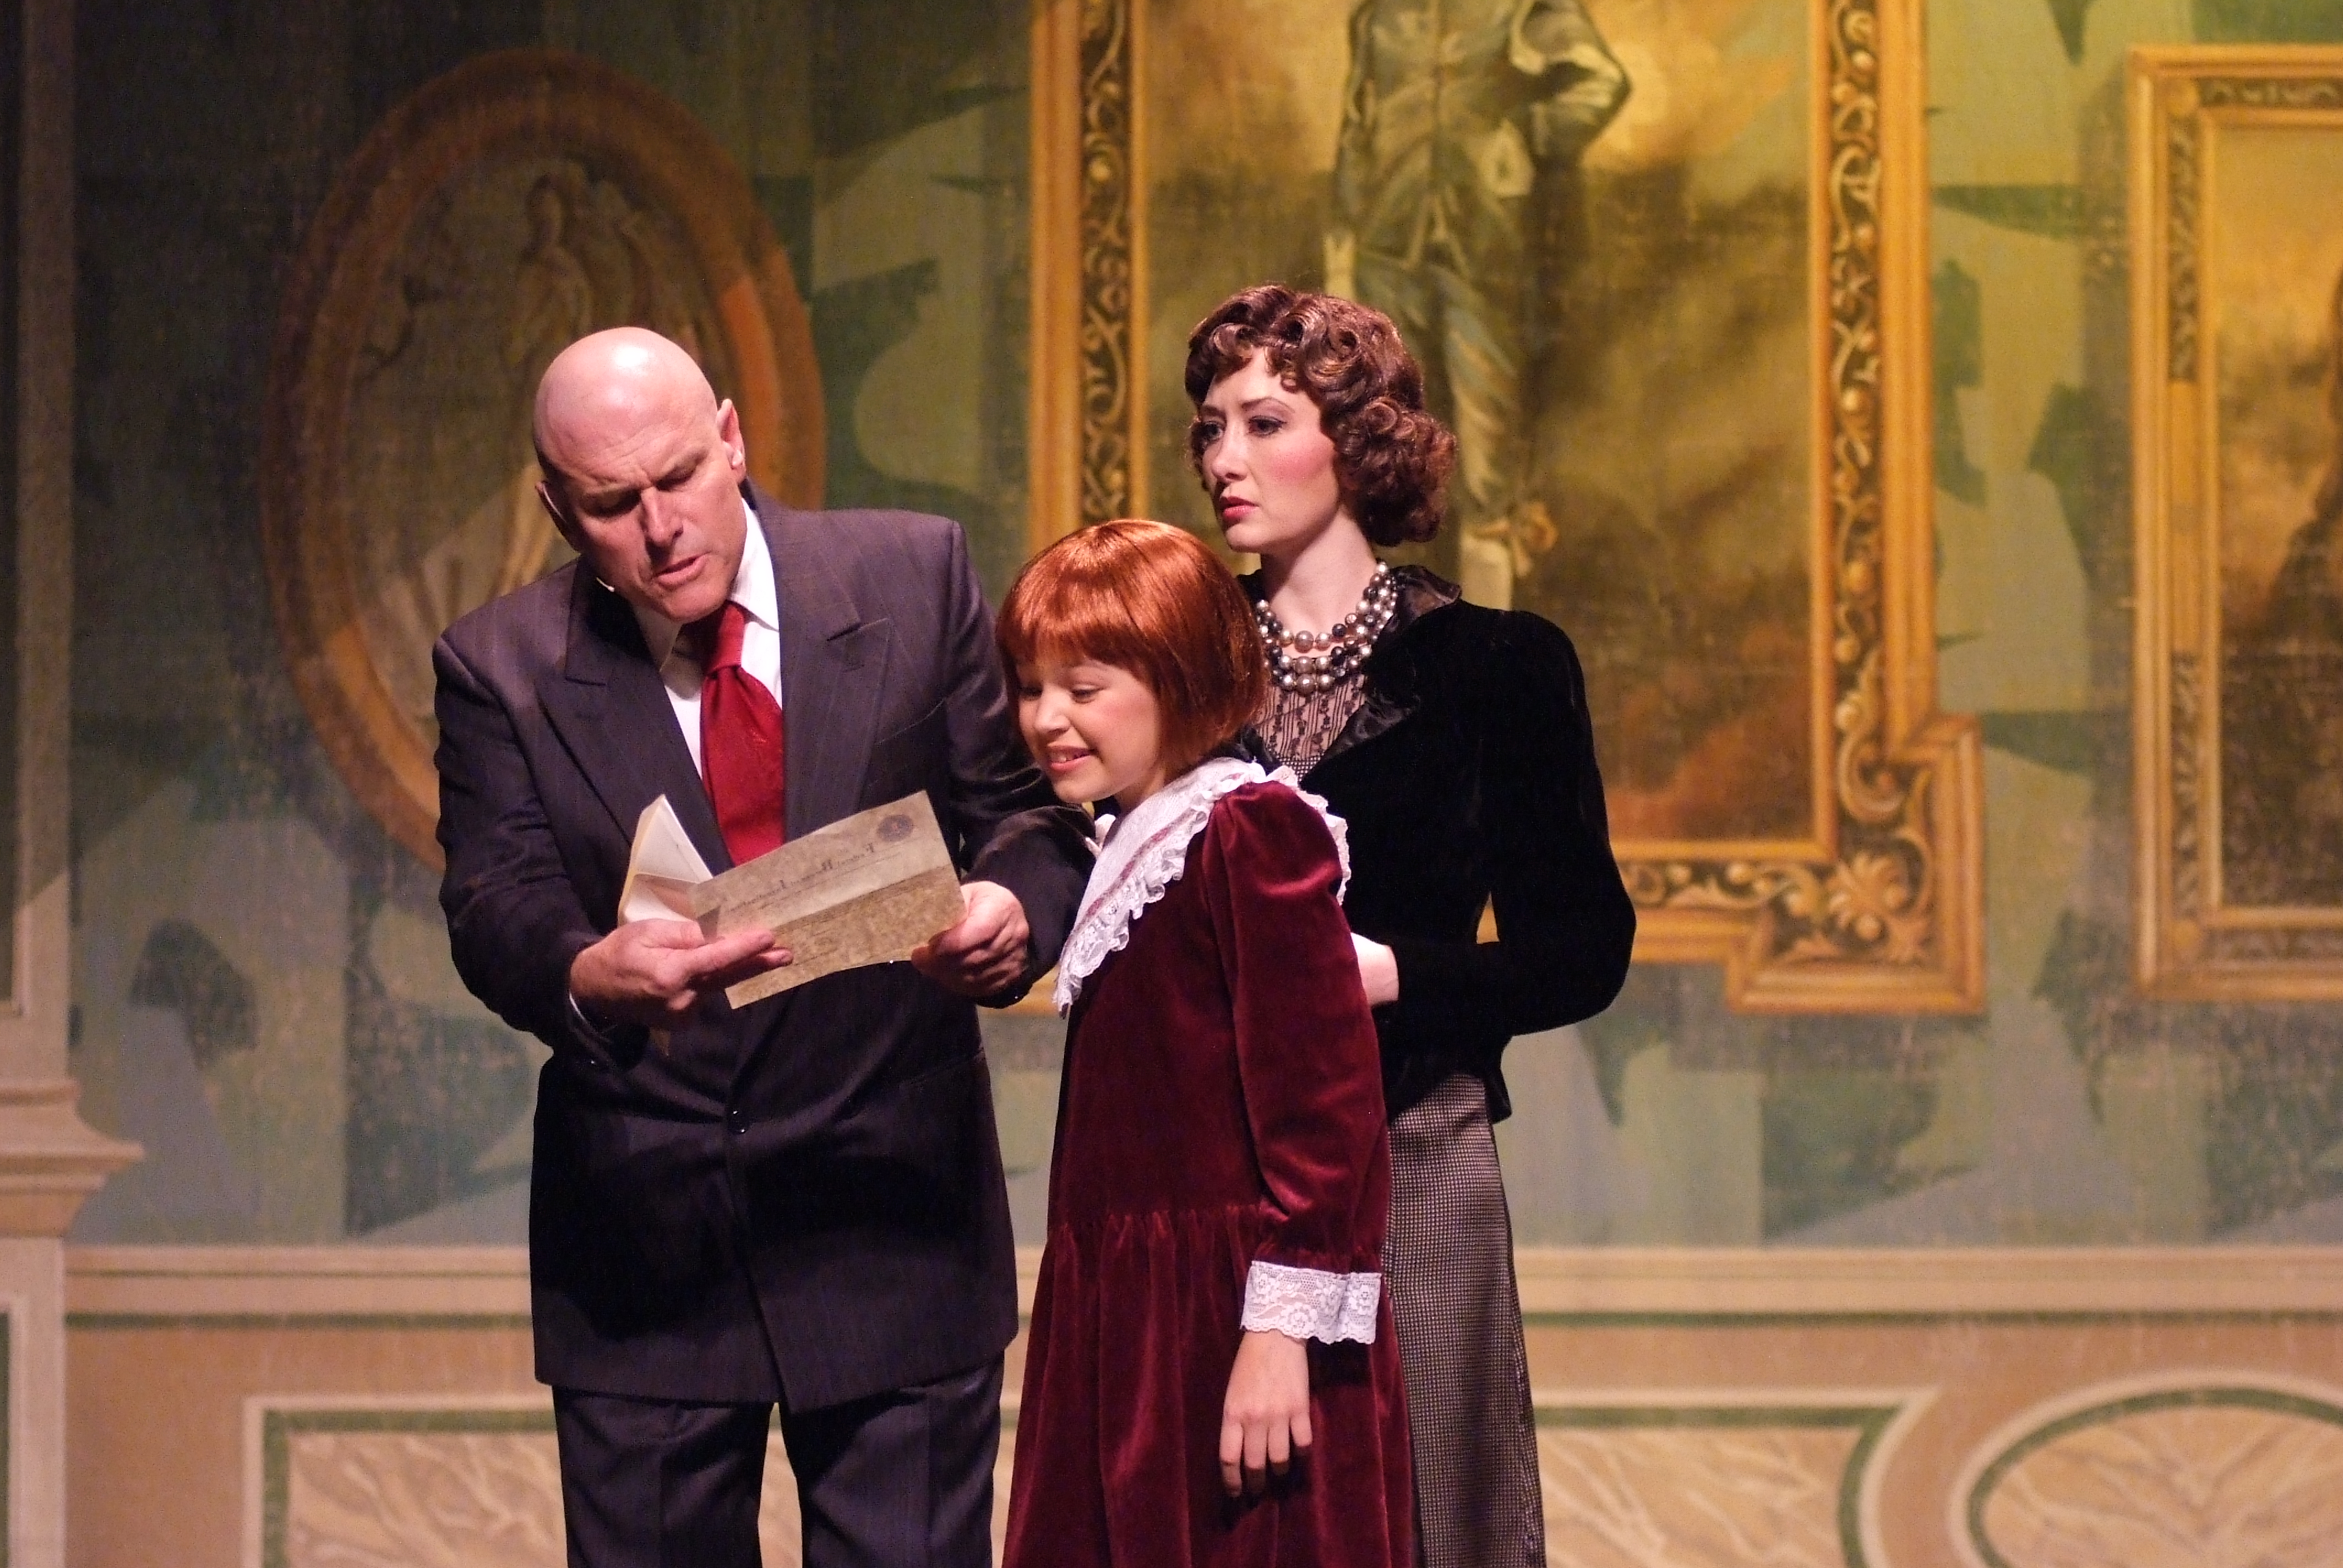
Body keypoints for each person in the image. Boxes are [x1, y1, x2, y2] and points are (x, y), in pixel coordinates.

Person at [432, 326, 1092, 1567]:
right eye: (613, 504)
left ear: (732, 437)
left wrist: (1012, 911)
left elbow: (1027, 815)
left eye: (679, 476)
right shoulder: (501, 665)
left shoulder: (911, 572)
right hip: (647, 1244)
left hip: (891, 1209)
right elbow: (496, 897)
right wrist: (587, 973)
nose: (661, 525)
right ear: (557, 511)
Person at [1185, 285, 1636, 1568]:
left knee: (1429, 1504)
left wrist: (1391, 972)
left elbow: (1581, 948)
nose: (1225, 459)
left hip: (1413, 1151)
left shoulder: (1496, 664)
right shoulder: (1183, 657)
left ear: (1360, 435)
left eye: (1264, 422)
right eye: (1210, 428)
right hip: (1208, 1165)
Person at [995, 520, 1413, 1567]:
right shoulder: (1130, 835)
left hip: (1227, 1314)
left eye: (1083, 687)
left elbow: (1327, 1099)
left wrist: (1279, 1329)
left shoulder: (1248, 829)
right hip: (1132, 1312)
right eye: (1031, 686)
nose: (1048, 718)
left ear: (1179, 680)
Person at [1327, 0, 1628, 594]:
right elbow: (1356, 129)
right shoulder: (1380, 17)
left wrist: (1527, 134)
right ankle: (1403, 649)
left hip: (1483, 258)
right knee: (1392, 455)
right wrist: (1341, 250)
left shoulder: (1521, 8)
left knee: (1487, 469)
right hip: (1386, 257)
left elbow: (1603, 81)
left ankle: (1490, 660)